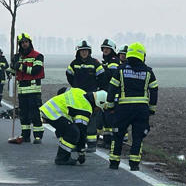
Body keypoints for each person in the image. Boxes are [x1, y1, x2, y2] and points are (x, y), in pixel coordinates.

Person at [105, 42, 158, 171]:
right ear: (142, 56)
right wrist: (152, 108)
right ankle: (134, 164)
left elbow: (112, 88)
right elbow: (154, 91)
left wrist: (110, 106)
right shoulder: (148, 72)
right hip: (141, 110)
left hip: (123, 108)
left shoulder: (121, 69)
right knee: (138, 136)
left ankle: (114, 162)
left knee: (118, 135)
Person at [41, 88, 107, 165]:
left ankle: (63, 156)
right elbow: (82, 131)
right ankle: (62, 158)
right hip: (54, 113)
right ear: (98, 103)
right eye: (98, 108)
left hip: (50, 109)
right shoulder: (85, 109)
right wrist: (81, 152)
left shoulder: (81, 92)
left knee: (71, 130)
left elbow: (63, 90)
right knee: (73, 132)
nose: (97, 110)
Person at [66, 40, 106, 149]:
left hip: (91, 95)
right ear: (78, 52)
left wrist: (97, 89)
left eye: (86, 51)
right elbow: (69, 75)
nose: (84, 53)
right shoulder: (74, 64)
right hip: (77, 96)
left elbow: (102, 77)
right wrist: (75, 86)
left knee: (91, 118)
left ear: (89, 52)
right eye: (82, 51)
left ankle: (92, 143)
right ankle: (78, 142)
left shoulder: (95, 63)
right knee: (77, 118)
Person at [10, 33, 45, 143]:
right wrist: (12, 66)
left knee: (35, 115)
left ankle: (38, 136)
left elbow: (36, 71)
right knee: (23, 115)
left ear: (30, 43)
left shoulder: (38, 56)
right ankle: (25, 136)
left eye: (26, 42)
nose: (25, 44)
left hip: (34, 90)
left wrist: (20, 66)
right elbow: (13, 73)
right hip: (21, 91)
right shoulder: (17, 57)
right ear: (20, 44)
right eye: (22, 43)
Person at [99, 39, 121, 148]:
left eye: (107, 48)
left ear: (112, 50)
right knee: (105, 119)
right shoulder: (106, 61)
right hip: (105, 92)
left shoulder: (113, 61)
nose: (105, 50)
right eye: (104, 48)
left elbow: (112, 77)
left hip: (111, 93)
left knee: (111, 118)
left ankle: (112, 141)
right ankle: (107, 140)